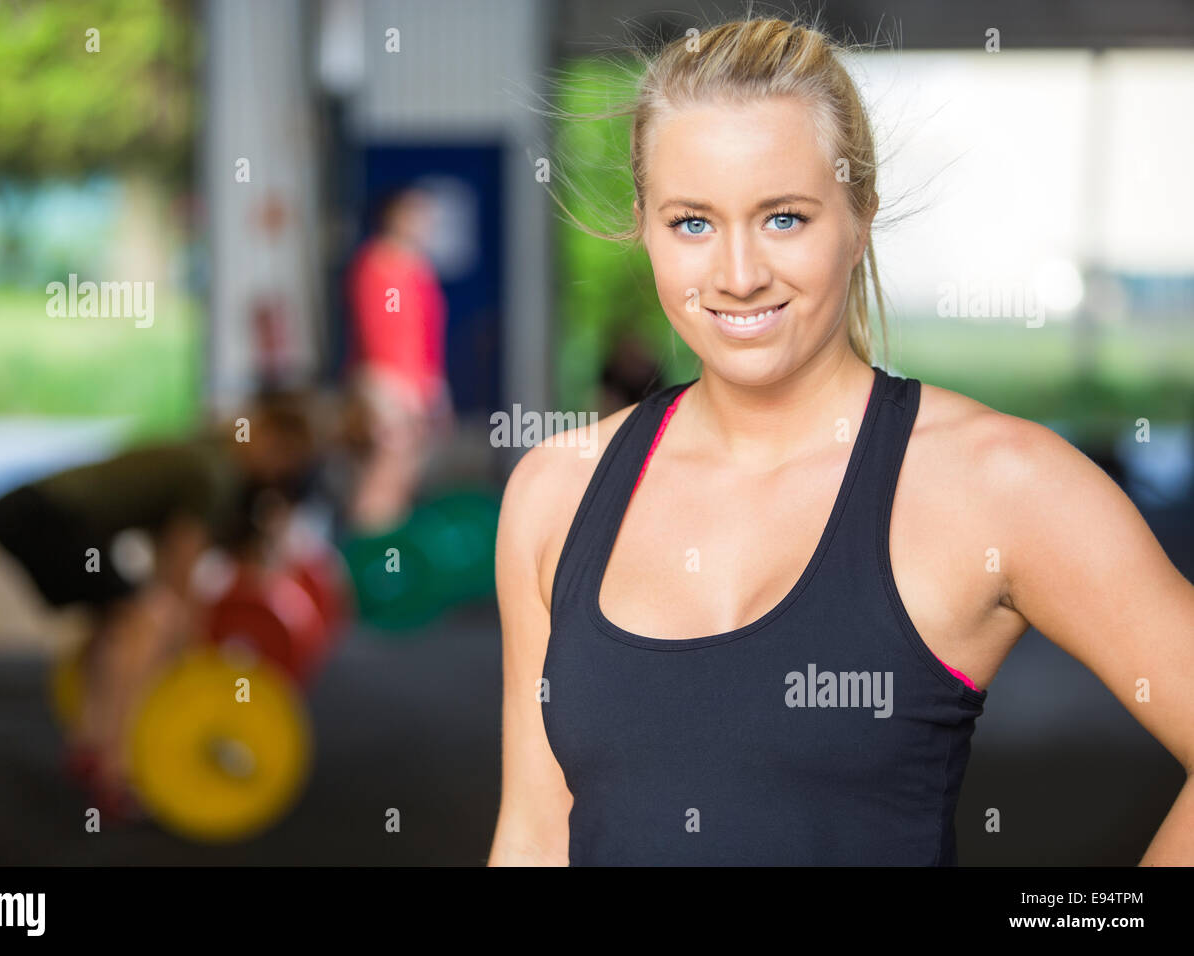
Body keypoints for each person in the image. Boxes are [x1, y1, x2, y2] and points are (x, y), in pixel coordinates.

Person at [489, 16, 1194, 866]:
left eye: (784, 218)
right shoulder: (555, 492)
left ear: (860, 215)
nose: (739, 273)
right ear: (643, 224)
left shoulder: (999, 483)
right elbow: (532, 833)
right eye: (692, 223)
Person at [0, 390, 353, 815]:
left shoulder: (204, 453)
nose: (277, 471)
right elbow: (179, 575)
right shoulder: (216, 475)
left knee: (128, 619)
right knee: (145, 620)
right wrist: (188, 643)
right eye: (282, 457)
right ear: (265, 434)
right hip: (44, 520)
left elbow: (167, 564)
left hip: (33, 515)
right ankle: (112, 769)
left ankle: (89, 746)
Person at [343, 184, 454, 533]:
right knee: (385, 472)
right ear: (394, 216)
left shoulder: (419, 269)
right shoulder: (376, 265)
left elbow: (427, 335)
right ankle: (368, 552)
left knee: (405, 476)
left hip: (417, 385)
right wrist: (392, 386)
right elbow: (374, 328)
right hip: (385, 383)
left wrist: (434, 386)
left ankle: (391, 552)